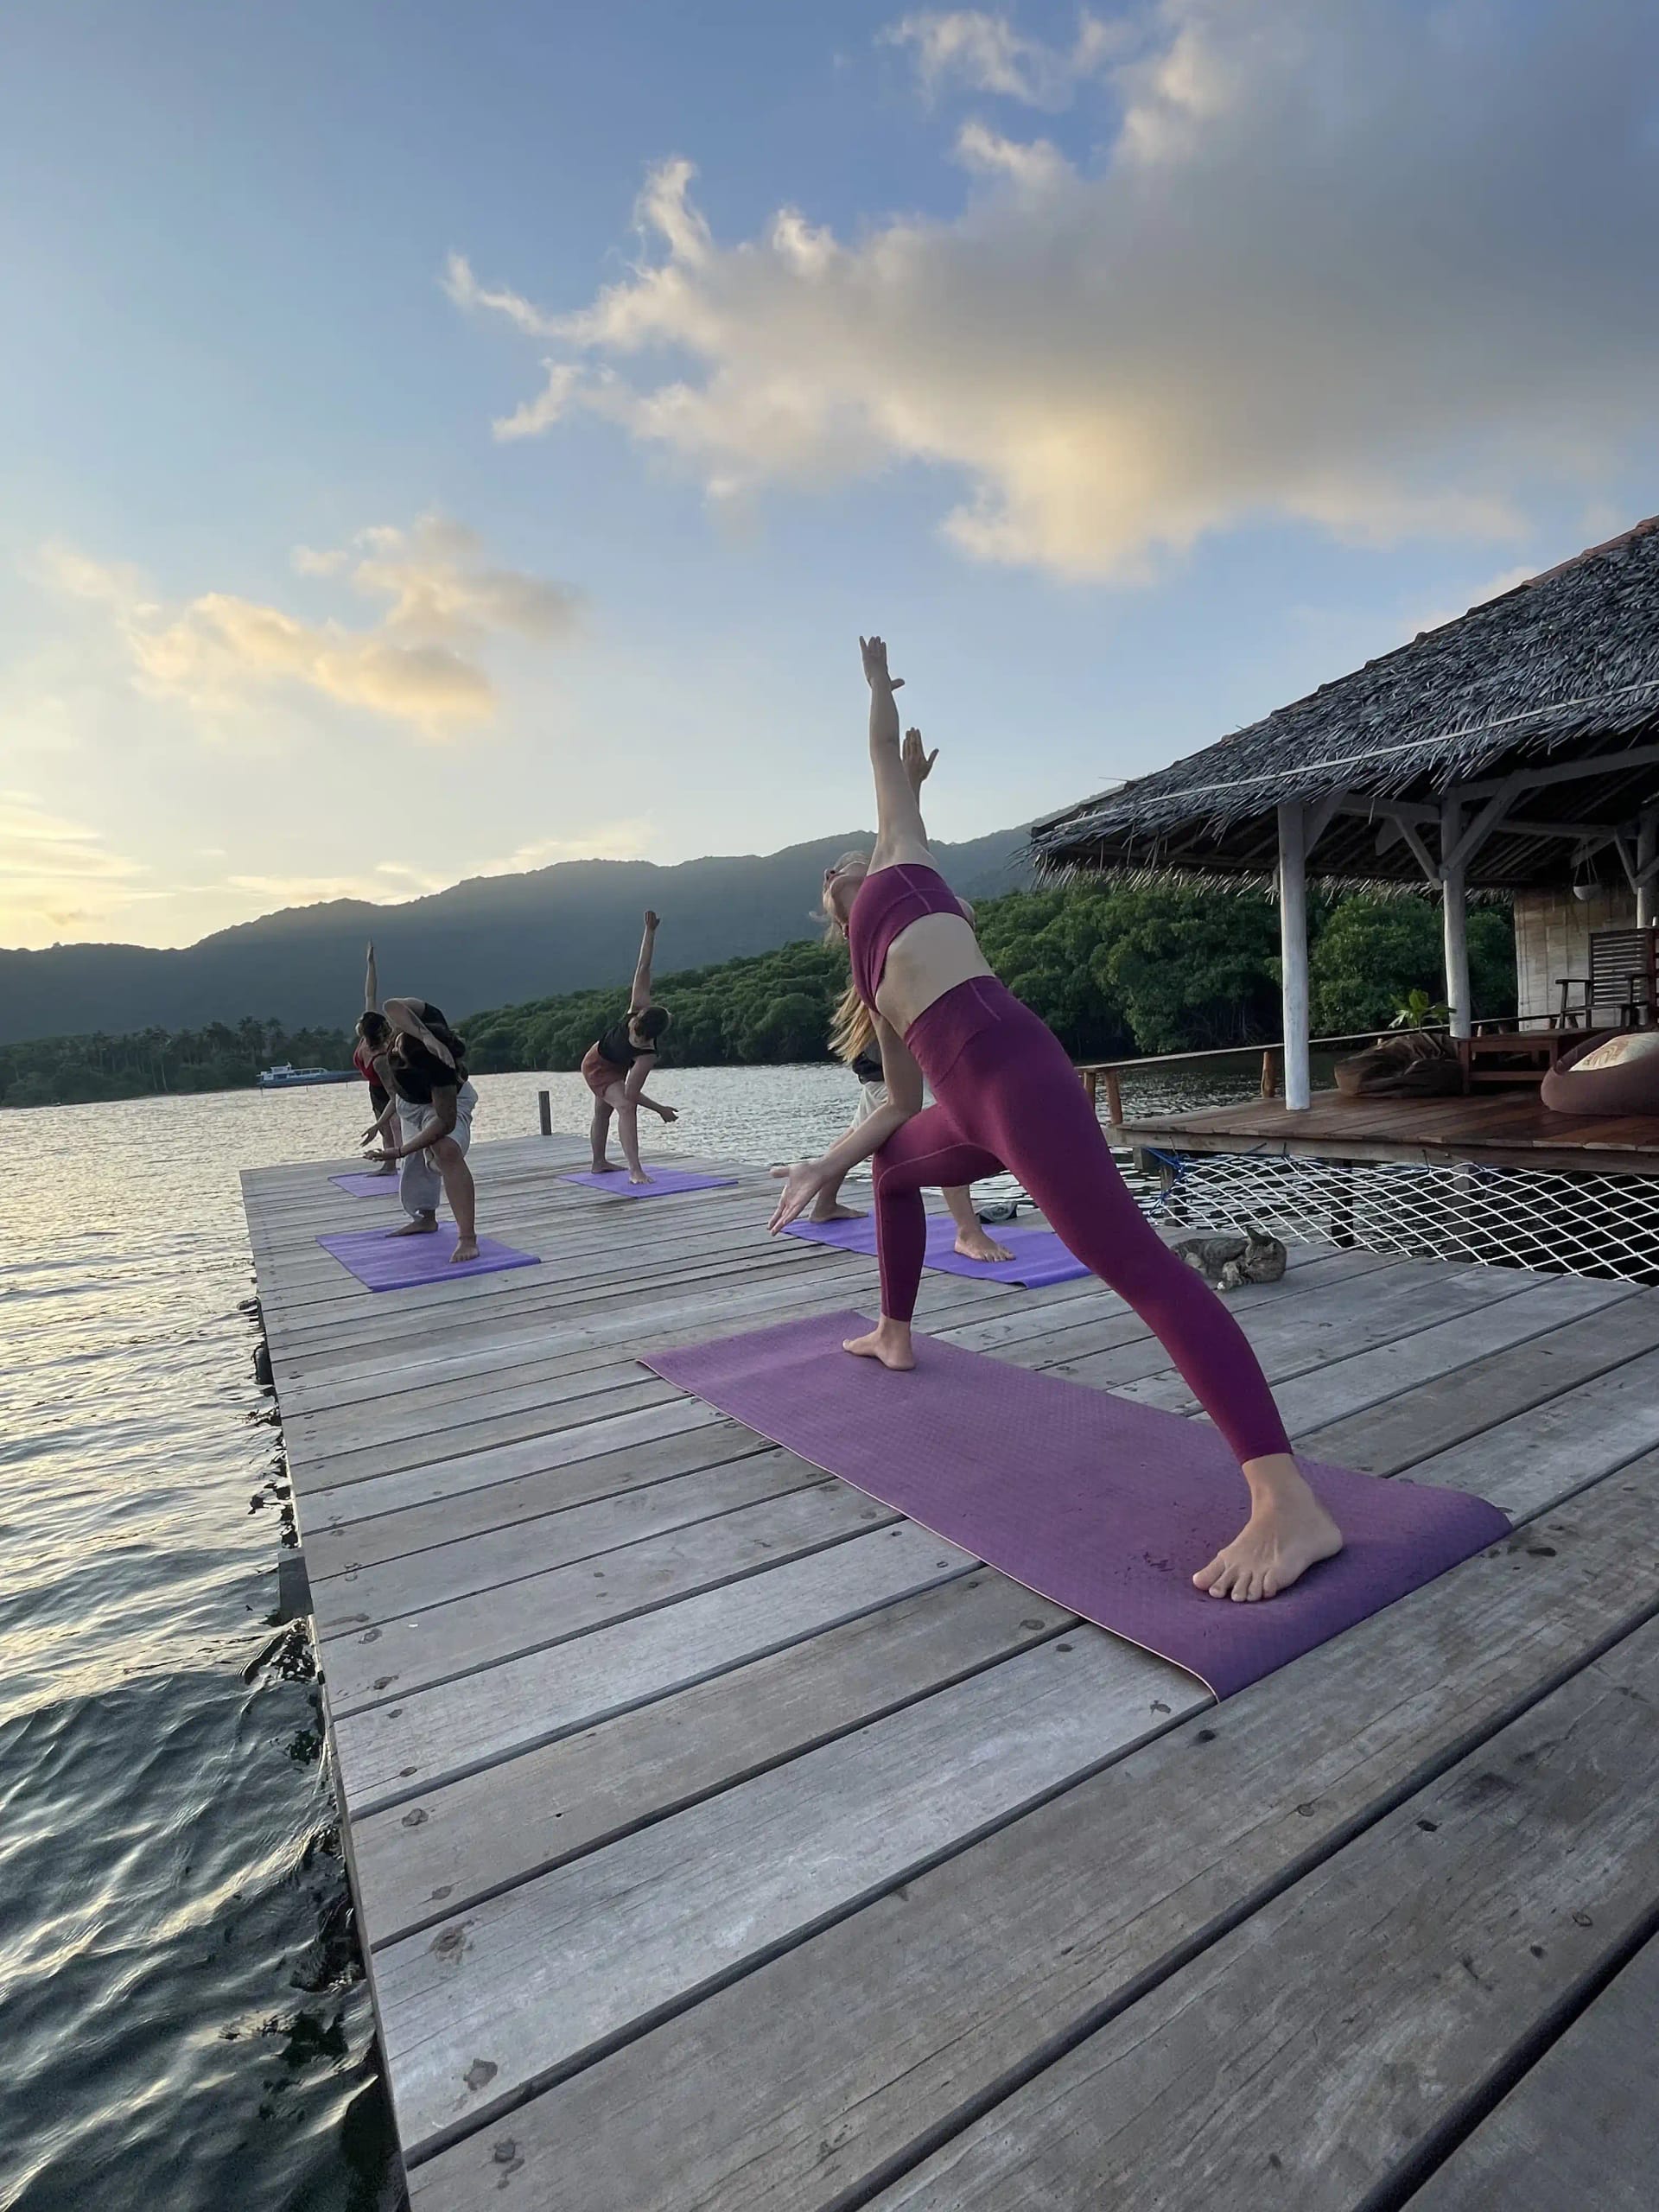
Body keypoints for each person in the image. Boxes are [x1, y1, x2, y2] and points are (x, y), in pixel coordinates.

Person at [769, 637, 1343, 1605]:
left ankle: (1287, 1502)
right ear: (834, 913)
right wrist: (825, 1165)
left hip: (1023, 1084)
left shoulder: (904, 865)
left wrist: (875, 689)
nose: (843, 868)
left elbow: (880, 762)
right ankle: (894, 1332)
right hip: (970, 1106)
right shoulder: (873, 980)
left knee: (1141, 1268)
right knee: (893, 1166)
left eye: (848, 858)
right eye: (833, 875)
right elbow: (901, 1105)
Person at [811, 747, 1011, 1266]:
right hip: (892, 1051)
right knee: (941, 1117)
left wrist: (911, 787)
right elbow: (899, 851)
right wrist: (906, 785)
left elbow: (904, 849)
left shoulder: (885, 912)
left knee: (866, 1127)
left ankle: (825, 1200)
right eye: (845, 873)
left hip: (888, 1052)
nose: (847, 871)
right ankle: (967, 1230)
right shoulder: (865, 929)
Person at [363, 997, 480, 1263]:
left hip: (443, 1106)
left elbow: (444, 1122)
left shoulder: (441, 1071)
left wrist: (400, 1150)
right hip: (409, 1105)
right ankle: (425, 1218)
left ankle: (467, 1238)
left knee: (446, 1150)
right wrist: (425, 1035)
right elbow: (391, 1005)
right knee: (415, 1165)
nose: (398, 1059)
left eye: (404, 1060)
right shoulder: (425, 1022)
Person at [581, 910, 679, 1184]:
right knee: (625, 1107)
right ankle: (635, 1171)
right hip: (595, 1064)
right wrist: (650, 931)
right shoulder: (640, 1020)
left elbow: (631, 1092)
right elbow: (643, 968)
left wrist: (650, 931)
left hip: (613, 1065)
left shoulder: (645, 1048)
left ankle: (599, 1163)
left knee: (605, 1110)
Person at [352, 940, 397, 1175]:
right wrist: (370, 963)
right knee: (385, 1132)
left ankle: (403, 1164)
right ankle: (389, 1167)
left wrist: (378, 1123)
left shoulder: (380, 1058)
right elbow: (370, 993)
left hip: (390, 1092)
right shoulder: (365, 1038)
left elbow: (395, 1095)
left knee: (395, 1128)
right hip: (375, 1090)